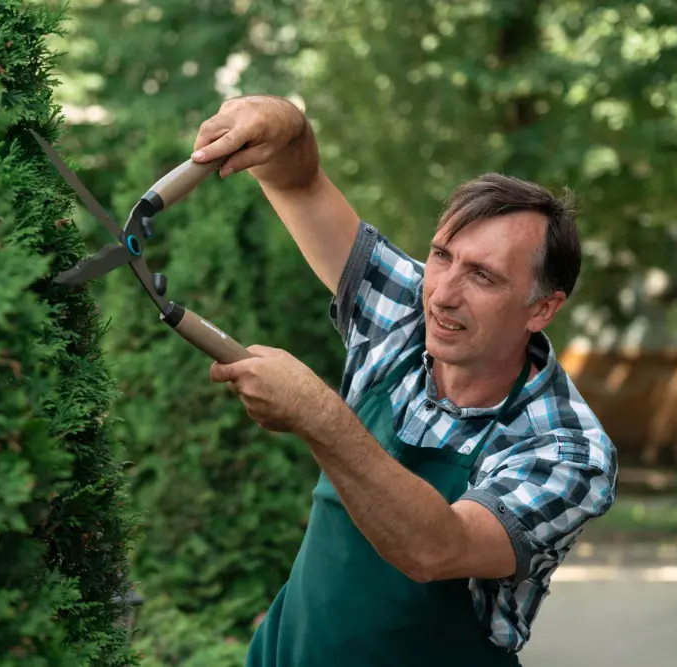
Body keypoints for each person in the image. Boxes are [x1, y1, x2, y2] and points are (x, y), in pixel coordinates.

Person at [194, 95, 618, 666]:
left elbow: (436, 548)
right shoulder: (404, 313)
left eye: (483, 277)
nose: (442, 294)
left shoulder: (569, 450)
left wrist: (320, 418)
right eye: (442, 255)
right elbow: (299, 183)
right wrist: (287, 126)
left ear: (541, 309)